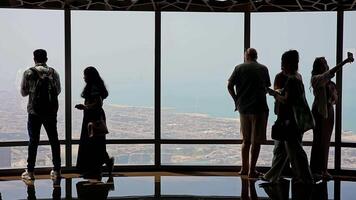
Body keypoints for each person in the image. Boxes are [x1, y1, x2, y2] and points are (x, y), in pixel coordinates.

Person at [264, 50, 313, 185]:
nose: (281, 66)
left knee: (295, 152)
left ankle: (306, 179)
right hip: (295, 121)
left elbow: (287, 100)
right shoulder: (298, 77)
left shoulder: (291, 79)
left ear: (289, 64)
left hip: (290, 121)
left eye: (283, 63)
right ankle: (271, 176)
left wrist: (273, 94)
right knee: (288, 152)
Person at [227, 48, 271, 178]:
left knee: (245, 141)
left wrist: (236, 100)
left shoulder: (238, 68)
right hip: (259, 108)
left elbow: (229, 86)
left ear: (246, 56)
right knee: (255, 141)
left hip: (243, 108)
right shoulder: (263, 69)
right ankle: (252, 170)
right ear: (256, 56)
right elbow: (266, 87)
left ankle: (244, 168)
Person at [310, 55, 354, 180]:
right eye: (323, 63)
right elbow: (329, 74)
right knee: (319, 140)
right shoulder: (316, 79)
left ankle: (322, 169)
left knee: (325, 141)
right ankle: (316, 169)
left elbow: (335, 98)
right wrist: (345, 62)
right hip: (320, 112)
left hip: (328, 112)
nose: (326, 65)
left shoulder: (328, 82)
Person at [20, 49, 61, 181]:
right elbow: (58, 90)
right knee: (54, 140)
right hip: (50, 112)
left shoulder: (29, 72)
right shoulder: (53, 73)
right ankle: (57, 170)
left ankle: (30, 172)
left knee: (33, 141)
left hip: (34, 111)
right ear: (46, 59)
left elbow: (23, 92)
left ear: (34, 59)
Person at [75, 66, 114, 181]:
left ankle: (97, 167)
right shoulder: (96, 86)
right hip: (95, 117)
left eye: (85, 75)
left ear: (90, 76)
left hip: (93, 118)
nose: (84, 78)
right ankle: (105, 163)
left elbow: (98, 103)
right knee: (97, 143)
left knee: (93, 143)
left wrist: (85, 107)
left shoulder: (93, 87)